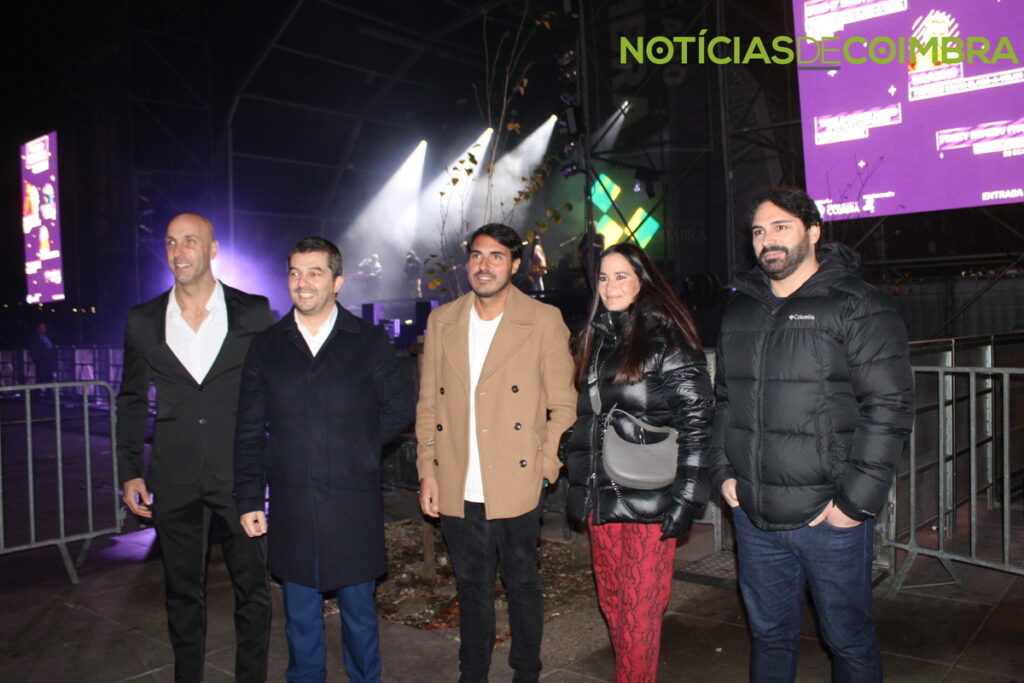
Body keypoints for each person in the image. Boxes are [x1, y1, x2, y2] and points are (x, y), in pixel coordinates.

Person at [709, 187, 915, 682]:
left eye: (781, 227)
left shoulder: (858, 306)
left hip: (828, 519)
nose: (768, 240)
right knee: (769, 637)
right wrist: (723, 474)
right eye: (759, 231)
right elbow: (725, 400)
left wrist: (853, 505)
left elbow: (888, 406)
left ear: (814, 232)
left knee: (849, 642)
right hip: (753, 516)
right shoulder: (740, 311)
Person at [234, 237, 414, 683]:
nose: (303, 282)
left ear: (337, 281)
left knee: (359, 614)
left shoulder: (367, 340)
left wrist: (361, 448)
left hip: (352, 498)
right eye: (295, 272)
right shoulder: (267, 345)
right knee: (299, 618)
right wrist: (249, 498)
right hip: (292, 500)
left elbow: (399, 406)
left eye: (314, 272)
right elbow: (249, 426)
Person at [415, 223, 577, 683]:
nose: (484, 265)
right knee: (470, 588)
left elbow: (564, 406)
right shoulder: (443, 320)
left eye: (496, 256)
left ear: (515, 265)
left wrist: (545, 468)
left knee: (522, 584)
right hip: (456, 478)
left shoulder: (543, 319)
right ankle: (473, 673)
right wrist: (428, 470)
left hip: (517, 479)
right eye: (477, 255)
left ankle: (526, 671)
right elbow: (428, 403)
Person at [117, 212, 273, 683]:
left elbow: (272, 391)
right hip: (174, 475)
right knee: (182, 592)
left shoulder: (253, 312)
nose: (178, 251)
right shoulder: (144, 319)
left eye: (189, 241)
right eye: (170, 242)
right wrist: (130, 469)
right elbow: (130, 399)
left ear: (212, 249)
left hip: (238, 476)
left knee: (253, 590)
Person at [561, 242, 714, 683]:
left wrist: (687, 500)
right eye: (603, 278)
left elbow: (698, 422)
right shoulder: (595, 340)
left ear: (643, 281)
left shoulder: (668, 339)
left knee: (639, 614)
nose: (610, 286)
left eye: (621, 276)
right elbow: (592, 414)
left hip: (650, 500)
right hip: (601, 497)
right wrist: (571, 447)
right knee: (613, 605)